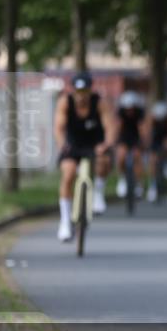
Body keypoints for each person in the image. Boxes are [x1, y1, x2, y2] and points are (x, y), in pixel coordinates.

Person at [54, 71, 116, 241]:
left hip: (95, 145)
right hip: (73, 146)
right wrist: (62, 145)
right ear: (73, 91)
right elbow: (59, 128)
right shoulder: (65, 102)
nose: (81, 96)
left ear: (90, 90)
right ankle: (65, 221)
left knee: (103, 161)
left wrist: (106, 144)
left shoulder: (100, 103)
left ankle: (98, 193)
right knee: (68, 173)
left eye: (85, 92)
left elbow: (110, 127)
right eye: (78, 92)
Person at [115, 90, 147, 200]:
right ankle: (122, 178)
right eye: (127, 108)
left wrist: (143, 141)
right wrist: (116, 141)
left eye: (131, 108)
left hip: (135, 137)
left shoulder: (139, 113)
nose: (130, 111)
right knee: (120, 156)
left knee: (137, 157)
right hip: (123, 137)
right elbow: (118, 127)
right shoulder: (120, 113)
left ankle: (138, 183)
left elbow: (142, 127)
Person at [147, 100, 167, 202]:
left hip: (165, 136)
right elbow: (148, 133)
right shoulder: (151, 119)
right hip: (155, 138)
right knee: (153, 160)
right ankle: (153, 185)